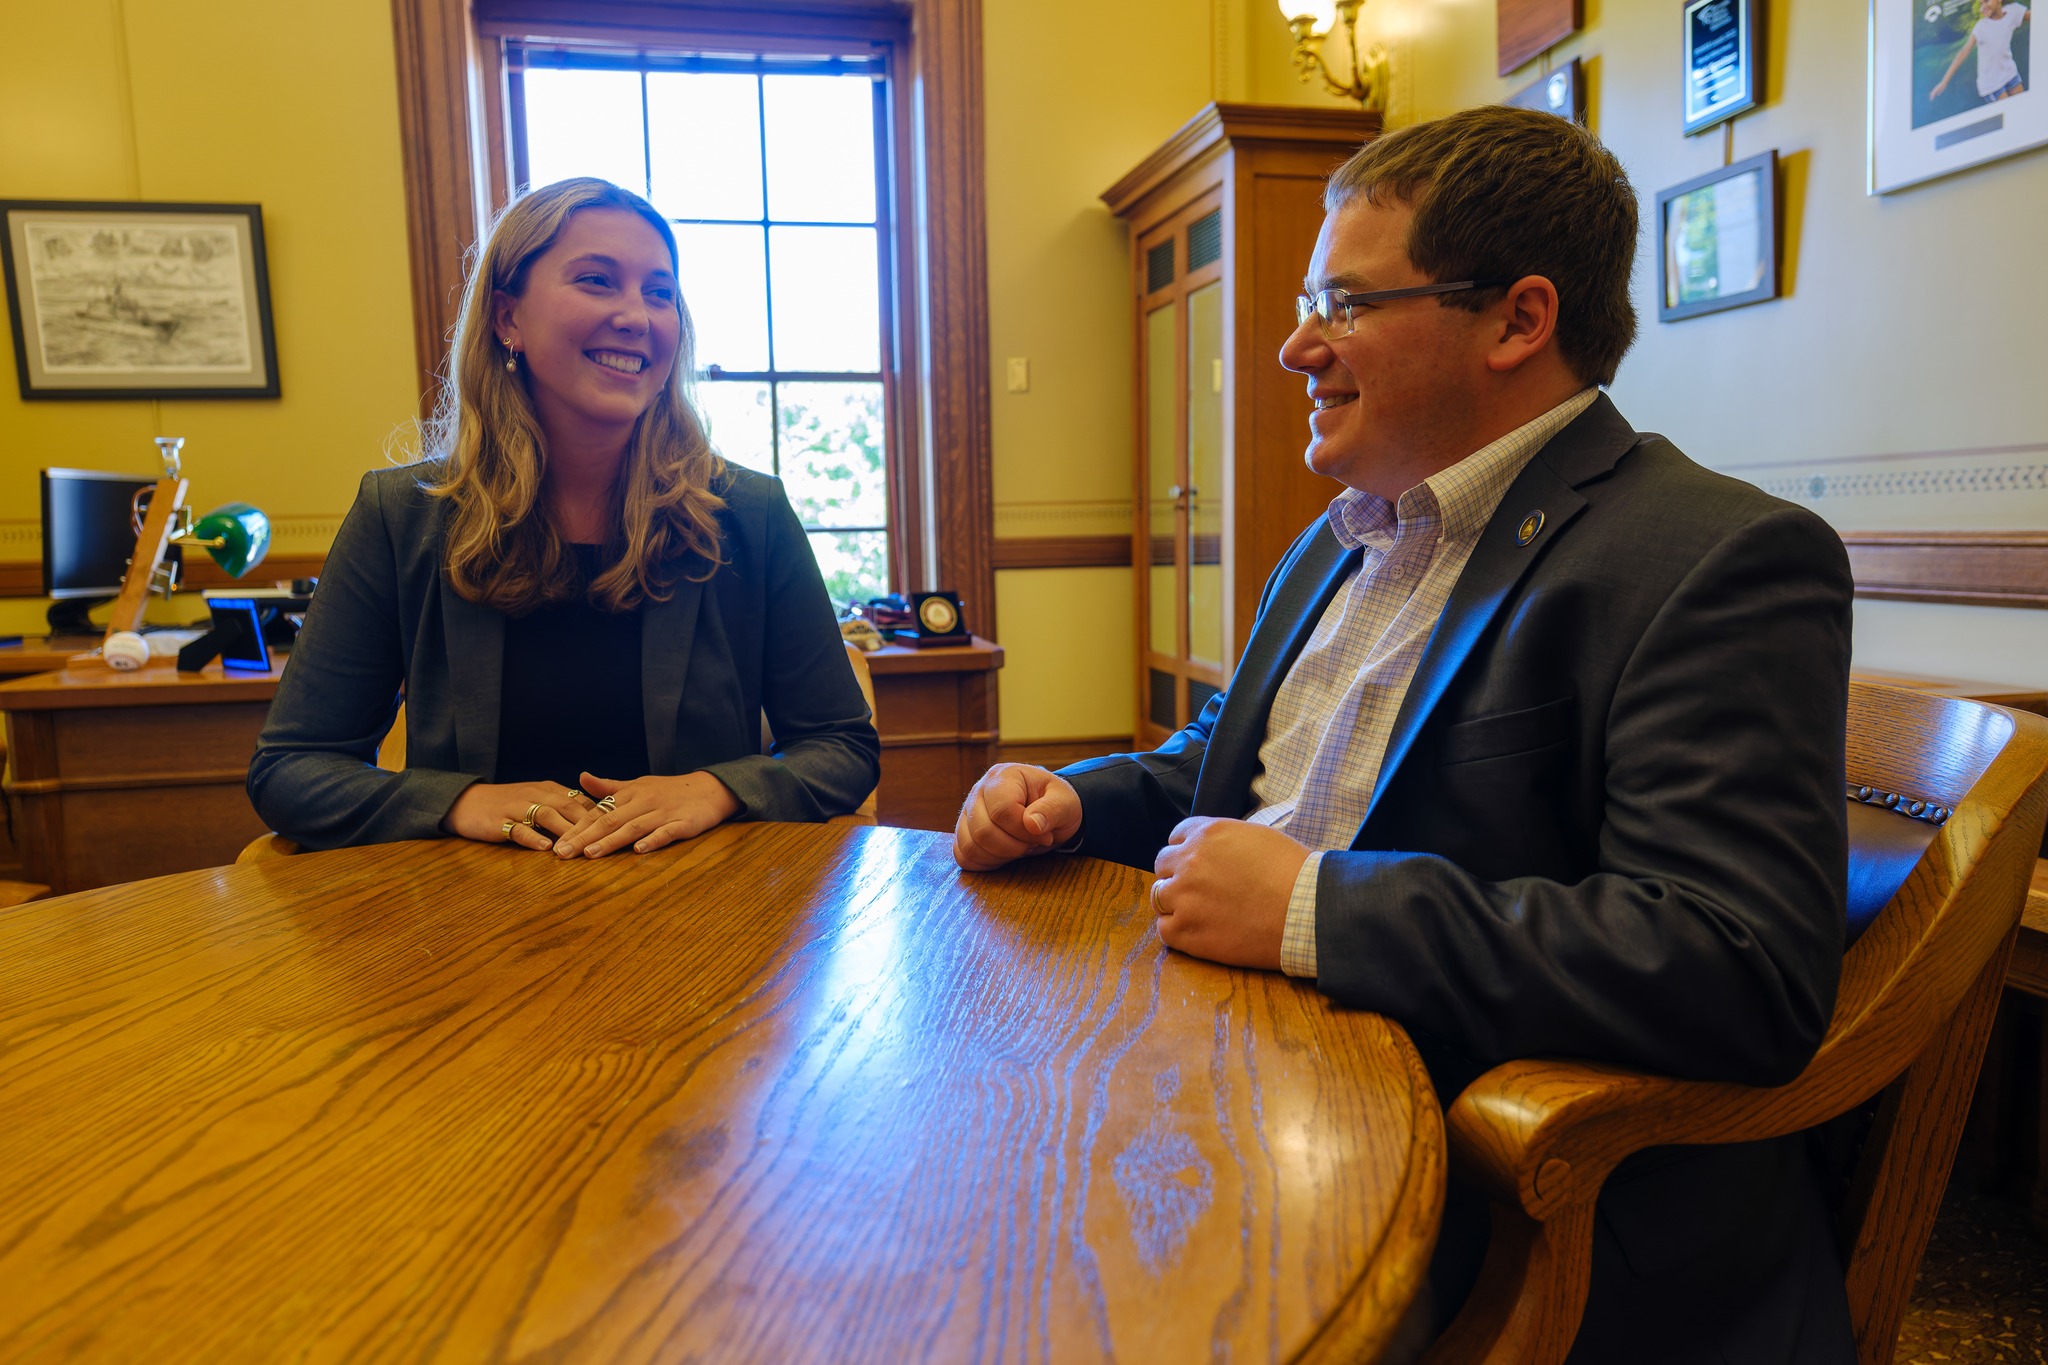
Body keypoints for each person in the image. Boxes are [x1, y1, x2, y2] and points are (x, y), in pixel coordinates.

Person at [953, 107, 1854, 1363]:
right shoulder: (1343, 537)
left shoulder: (1714, 558)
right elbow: (1226, 766)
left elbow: (1732, 963)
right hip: (1222, 1077)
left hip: (1490, 1205)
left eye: (1345, 302)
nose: (1293, 345)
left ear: (1516, 321)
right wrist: (1068, 800)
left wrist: (1318, 909)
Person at [250, 178, 879, 855]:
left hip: (703, 917)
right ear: (506, 318)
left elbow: (842, 747)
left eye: (659, 292)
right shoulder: (400, 515)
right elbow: (292, 767)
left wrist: (716, 788)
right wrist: (458, 802)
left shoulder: (750, 513)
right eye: (597, 281)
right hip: (468, 923)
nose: (638, 315)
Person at [1931, 0, 2030, 104]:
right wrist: (1944, 82)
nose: (1983, 6)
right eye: (1981, 4)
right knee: (2009, 112)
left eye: (1986, 1)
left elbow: (2037, 16)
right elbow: (1963, 52)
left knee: (2022, 107)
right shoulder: (1981, 27)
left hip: (2011, 74)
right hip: (1992, 85)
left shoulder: (2013, 12)